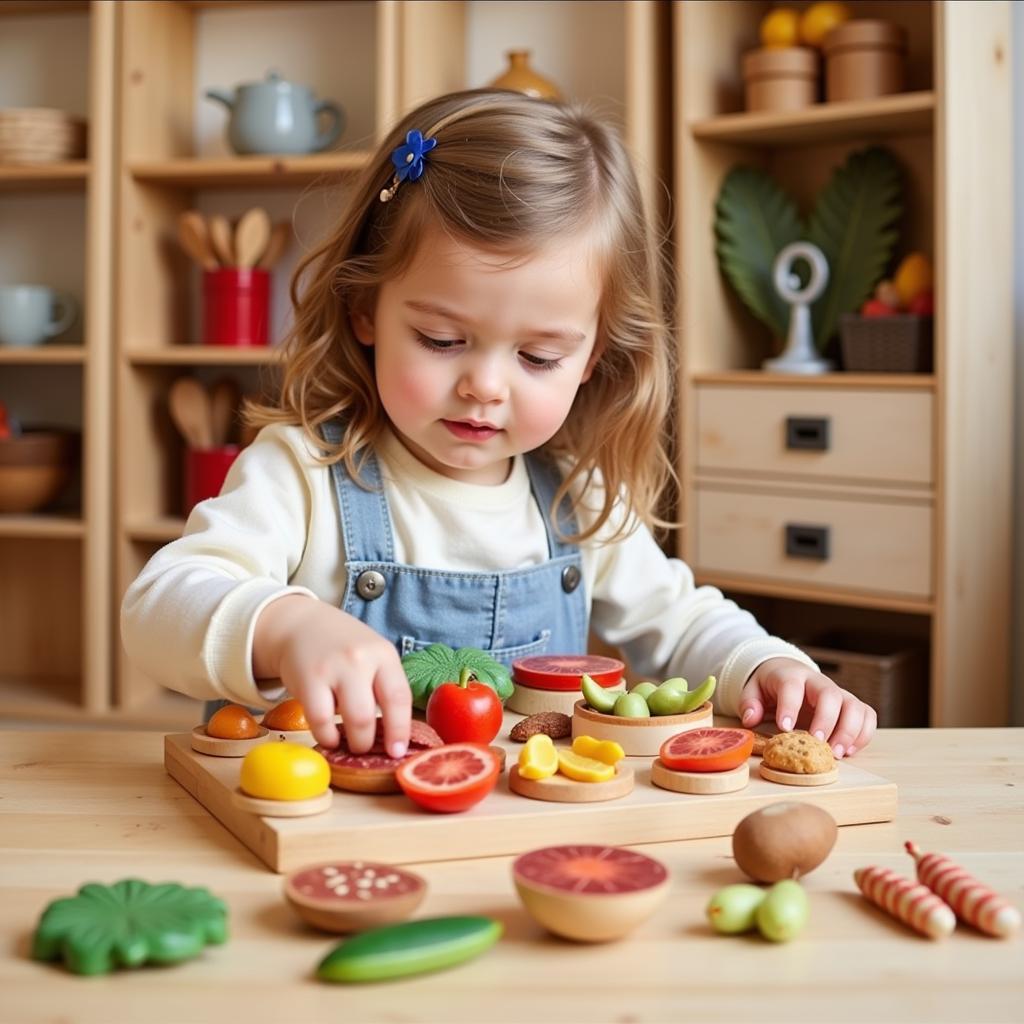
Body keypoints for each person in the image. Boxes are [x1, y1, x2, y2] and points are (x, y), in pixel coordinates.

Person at [121, 89, 877, 762]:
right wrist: (286, 628)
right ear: (365, 312)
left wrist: (769, 667)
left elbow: (680, 623)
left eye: (539, 356)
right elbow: (158, 607)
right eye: (443, 341)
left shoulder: (576, 498)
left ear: (592, 358)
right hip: (321, 833)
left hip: (511, 842)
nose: (484, 384)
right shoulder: (302, 474)